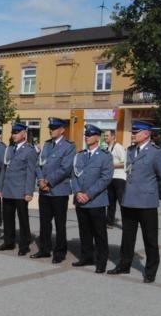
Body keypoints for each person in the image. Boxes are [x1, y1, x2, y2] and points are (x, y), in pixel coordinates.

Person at [108, 121, 161, 283]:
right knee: (127, 237)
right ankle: (124, 264)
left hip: (147, 202)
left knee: (150, 238)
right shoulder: (130, 150)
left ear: (147, 134)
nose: (133, 134)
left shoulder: (155, 152)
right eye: (133, 131)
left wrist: (155, 195)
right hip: (129, 200)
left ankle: (150, 271)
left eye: (137, 132)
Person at [31, 117, 75, 263]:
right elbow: (39, 164)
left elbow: (66, 168)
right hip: (45, 190)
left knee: (59, 224)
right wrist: (41, 180)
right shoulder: (47, 144)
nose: (51, 130)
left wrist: (48, 181)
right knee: (44, 223)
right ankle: (44, 249)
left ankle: (60, 252)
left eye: (55, 128)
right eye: (50, 128)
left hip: (59, 191)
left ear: (62, 130)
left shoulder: (69, 146)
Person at [71, 125, 114, 273]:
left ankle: (101, 261)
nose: (87, 137)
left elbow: (106, 178)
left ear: (97, 137)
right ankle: (86, 257)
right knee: (85, 231)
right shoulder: (80, 155)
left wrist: (88, 194)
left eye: (90, 135)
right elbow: (74, 176)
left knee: (99, 233)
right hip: (80, 200)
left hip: (96, 201)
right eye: (86, 135)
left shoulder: (105, 156)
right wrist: (77, 192)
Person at [0, 123, 37, 255]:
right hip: (7, 190)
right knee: (7, 218)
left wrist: (29, 192)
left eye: (17, 132)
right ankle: (9, 242)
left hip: (20, 191)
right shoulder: (9, 149)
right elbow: (4, 169)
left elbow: (31, 173)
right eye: (13, 133)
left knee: (23, 219)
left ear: (24, 134)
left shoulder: (29, 150)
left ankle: (24, 245)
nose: (14, 135)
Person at [104, 129, 127, 227]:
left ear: (113, 136)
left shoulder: (118, 147)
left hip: (119, 178)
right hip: (111, 178)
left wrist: (111, 166)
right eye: (104, 136)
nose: (105, 138)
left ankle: (127, 223)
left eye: (107, 136)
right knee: (110, 201)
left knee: (122, 202)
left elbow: (125, 163)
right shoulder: (107, 148)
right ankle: (110, 222)